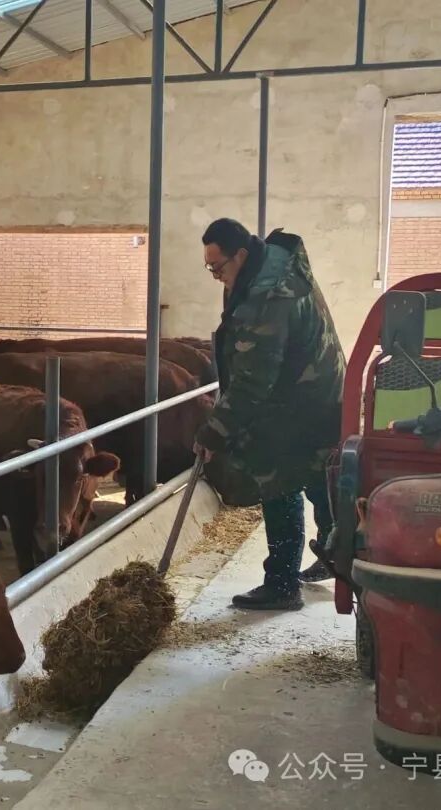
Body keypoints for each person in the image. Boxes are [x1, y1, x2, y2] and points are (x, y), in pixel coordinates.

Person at [195, 218, 345, 610]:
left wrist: (214, 431)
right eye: (209, 267)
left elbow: (252, 380)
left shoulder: (269, 297)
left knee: (278, 482)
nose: (215, 276)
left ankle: (282, 585)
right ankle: (336, 552)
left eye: (218, 267)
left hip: (299, 402)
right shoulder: (271, 265)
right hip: (318, 393)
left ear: (241, 255)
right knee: (319, 476)